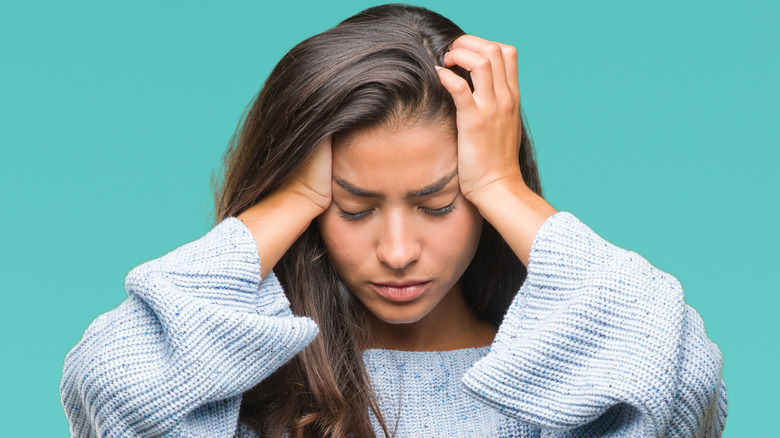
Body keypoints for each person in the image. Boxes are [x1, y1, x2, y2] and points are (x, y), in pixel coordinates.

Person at [59, 4, 728, 437]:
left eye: (438, 204)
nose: (399, 250)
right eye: (354, 208)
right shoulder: (247, 398)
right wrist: (287, 202)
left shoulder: (557, 386)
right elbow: (111, 389)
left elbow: (678, 383)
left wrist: (503, 185)